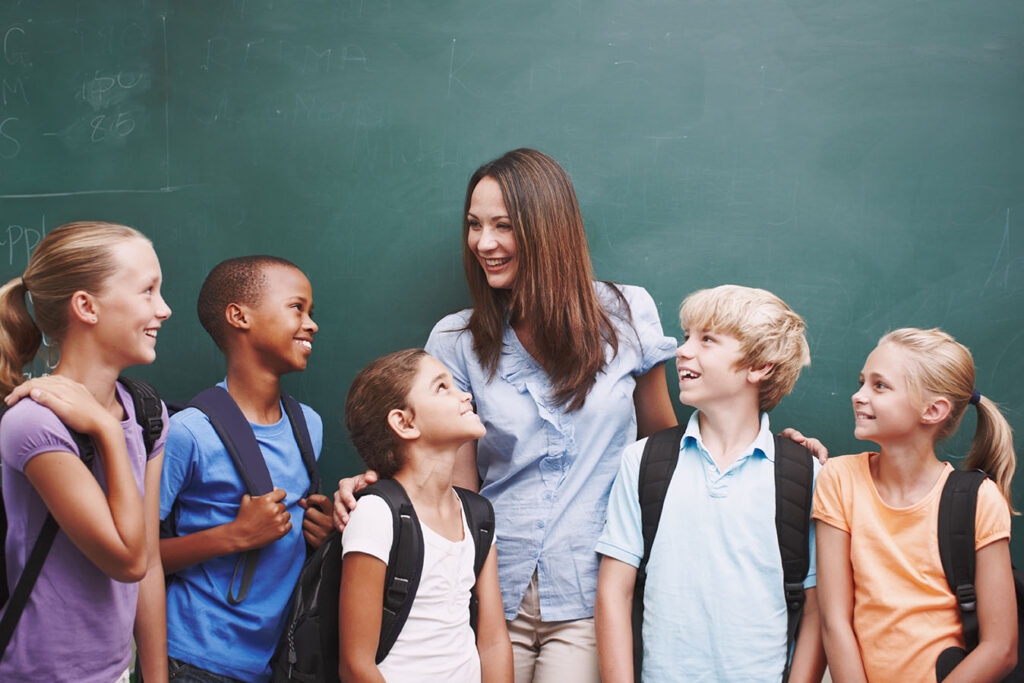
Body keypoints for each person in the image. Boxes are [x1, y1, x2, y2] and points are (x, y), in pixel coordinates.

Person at [335, 148, 825, 682]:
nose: (483, 243)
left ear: (547, 229)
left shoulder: (627, 313)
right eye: (474, 225)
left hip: (593, 594)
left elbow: (664, 442)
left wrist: (771, 451)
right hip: (486, 591)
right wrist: (381, 490)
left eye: (503, 225)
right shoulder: (455, 339)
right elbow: (453, 482)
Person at [594, 285, 826, 682]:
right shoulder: (644, 461)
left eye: (707, 340)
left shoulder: (805, 474)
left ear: (760, 366)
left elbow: (819, 605)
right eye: (686, 337)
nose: (683, 351)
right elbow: (615, 592)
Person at [0, 221, 171, 682]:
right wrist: (106, 432)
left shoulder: (148, 412)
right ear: (86, 306)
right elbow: (128, 560)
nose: (164, 309)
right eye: (148, 291)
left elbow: (151, 561)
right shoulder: (33, 424)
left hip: (115, 671)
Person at [159, 256, 334, 682]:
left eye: (311, 313)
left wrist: (323, 533)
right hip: (194, 659)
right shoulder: (189, 433)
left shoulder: (308, 424)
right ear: (240, 316)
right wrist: (234, 535)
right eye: (297, 308)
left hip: (278, 661)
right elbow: (135, 557)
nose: (311, 324)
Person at [814, 328, 1017, 682]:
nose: (857, 396)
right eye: (862, 382)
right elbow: (834, 622)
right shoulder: (839, 479)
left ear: (933, 410)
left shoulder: (979, 500)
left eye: (879, 386)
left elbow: (1000, 648)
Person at [339, 348, 513, 682]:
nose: (465, 396)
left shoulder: (478, 516)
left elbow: (492, 642)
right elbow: (355, 665)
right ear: (404, 423)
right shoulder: (376, 514)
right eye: (442, 387)